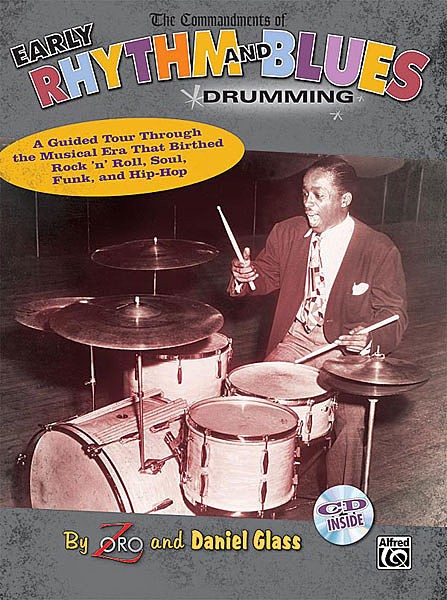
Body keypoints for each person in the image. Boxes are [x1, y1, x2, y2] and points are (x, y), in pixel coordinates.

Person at [229, 155, 408, 488]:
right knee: (255, 399)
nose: (307, 202)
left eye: (318, 195)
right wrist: (246, 276)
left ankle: (341, 501)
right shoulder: (287, 232)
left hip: (345, 352)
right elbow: (264, 276)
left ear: (344, 199)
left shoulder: (378, 249)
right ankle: (259, 488)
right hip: (296, 338)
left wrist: (367, 340)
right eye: (304, 192)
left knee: (350, 426)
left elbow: (394, 317)